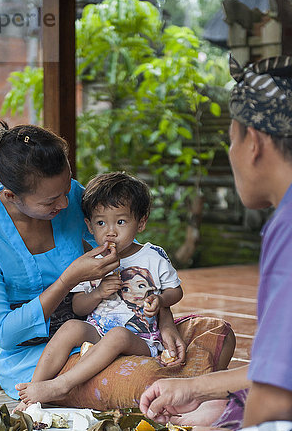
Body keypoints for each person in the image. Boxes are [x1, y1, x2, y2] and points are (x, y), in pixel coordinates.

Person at [99, 55, 292, 431]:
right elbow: (288, 369)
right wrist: (199, 388)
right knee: (226, 403)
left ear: (253, 142)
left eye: (230, 139)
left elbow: (276, 404)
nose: (231, 153)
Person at [0, 121, 188, 401]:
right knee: (138, 383)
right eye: (51, 201)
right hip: (35, 355)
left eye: (67, 190)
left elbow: (135, 263)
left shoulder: (70, 195)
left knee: (213, 332)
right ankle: (58, 389)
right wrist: (69, 280)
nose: (66, 204)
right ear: (10, 196)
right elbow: (5, 334)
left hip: (99, 326)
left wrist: (165, 319)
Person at [16, 172, 185, 405]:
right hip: (97, 331)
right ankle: (32, 392)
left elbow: (176, 291)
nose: (111, 231)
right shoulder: (93, 260)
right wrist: (97, 293)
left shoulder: (152, 256)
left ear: (141, 222)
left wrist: (160, 299)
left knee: (117, 336)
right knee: (71, 327)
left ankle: (61, 385)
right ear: (89, 225)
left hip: (139, 338)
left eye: (121, 222)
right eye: (101, 223)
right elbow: (78, 306)